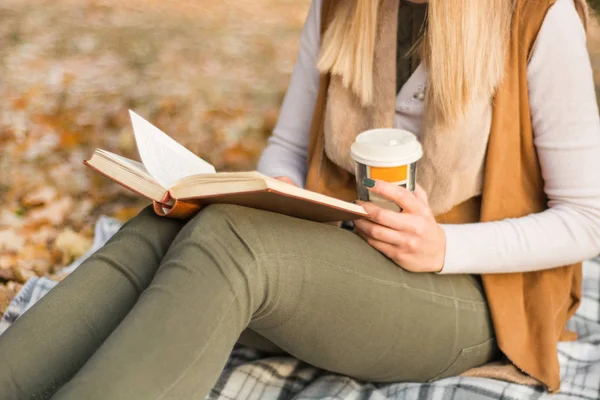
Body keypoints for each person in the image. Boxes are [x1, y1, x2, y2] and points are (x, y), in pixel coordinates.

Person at [1, 0, 599, 398]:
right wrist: (266, 194)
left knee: (230, 244)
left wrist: (443, 246)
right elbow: (287, 149)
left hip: (476, 296)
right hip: (345, 256)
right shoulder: (344, 5)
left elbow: (587, 218)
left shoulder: (539, 18)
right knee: (171, 226)